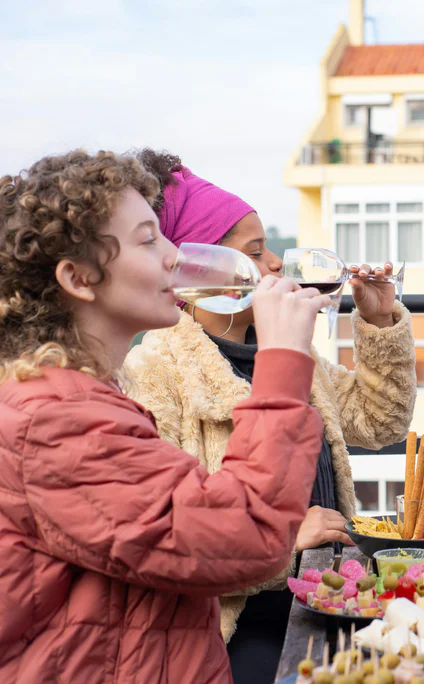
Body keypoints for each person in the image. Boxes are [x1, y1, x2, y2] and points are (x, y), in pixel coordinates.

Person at [0, 149, 332, 681]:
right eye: (148, 239)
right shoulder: (57, 422)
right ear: (79, 279)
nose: (176, 256)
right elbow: (245, 537)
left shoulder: (78, 397)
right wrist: (283, 360)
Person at [122, 150, 417, 682]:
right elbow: (172, 541)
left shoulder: (280, 348)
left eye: (270, 248)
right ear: (199, 266)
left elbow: (383, 422)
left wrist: (377, 322)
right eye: (255, 252)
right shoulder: (154, 372)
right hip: (235, 623)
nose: (277, 263)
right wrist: (281, 541)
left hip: (329, 590)